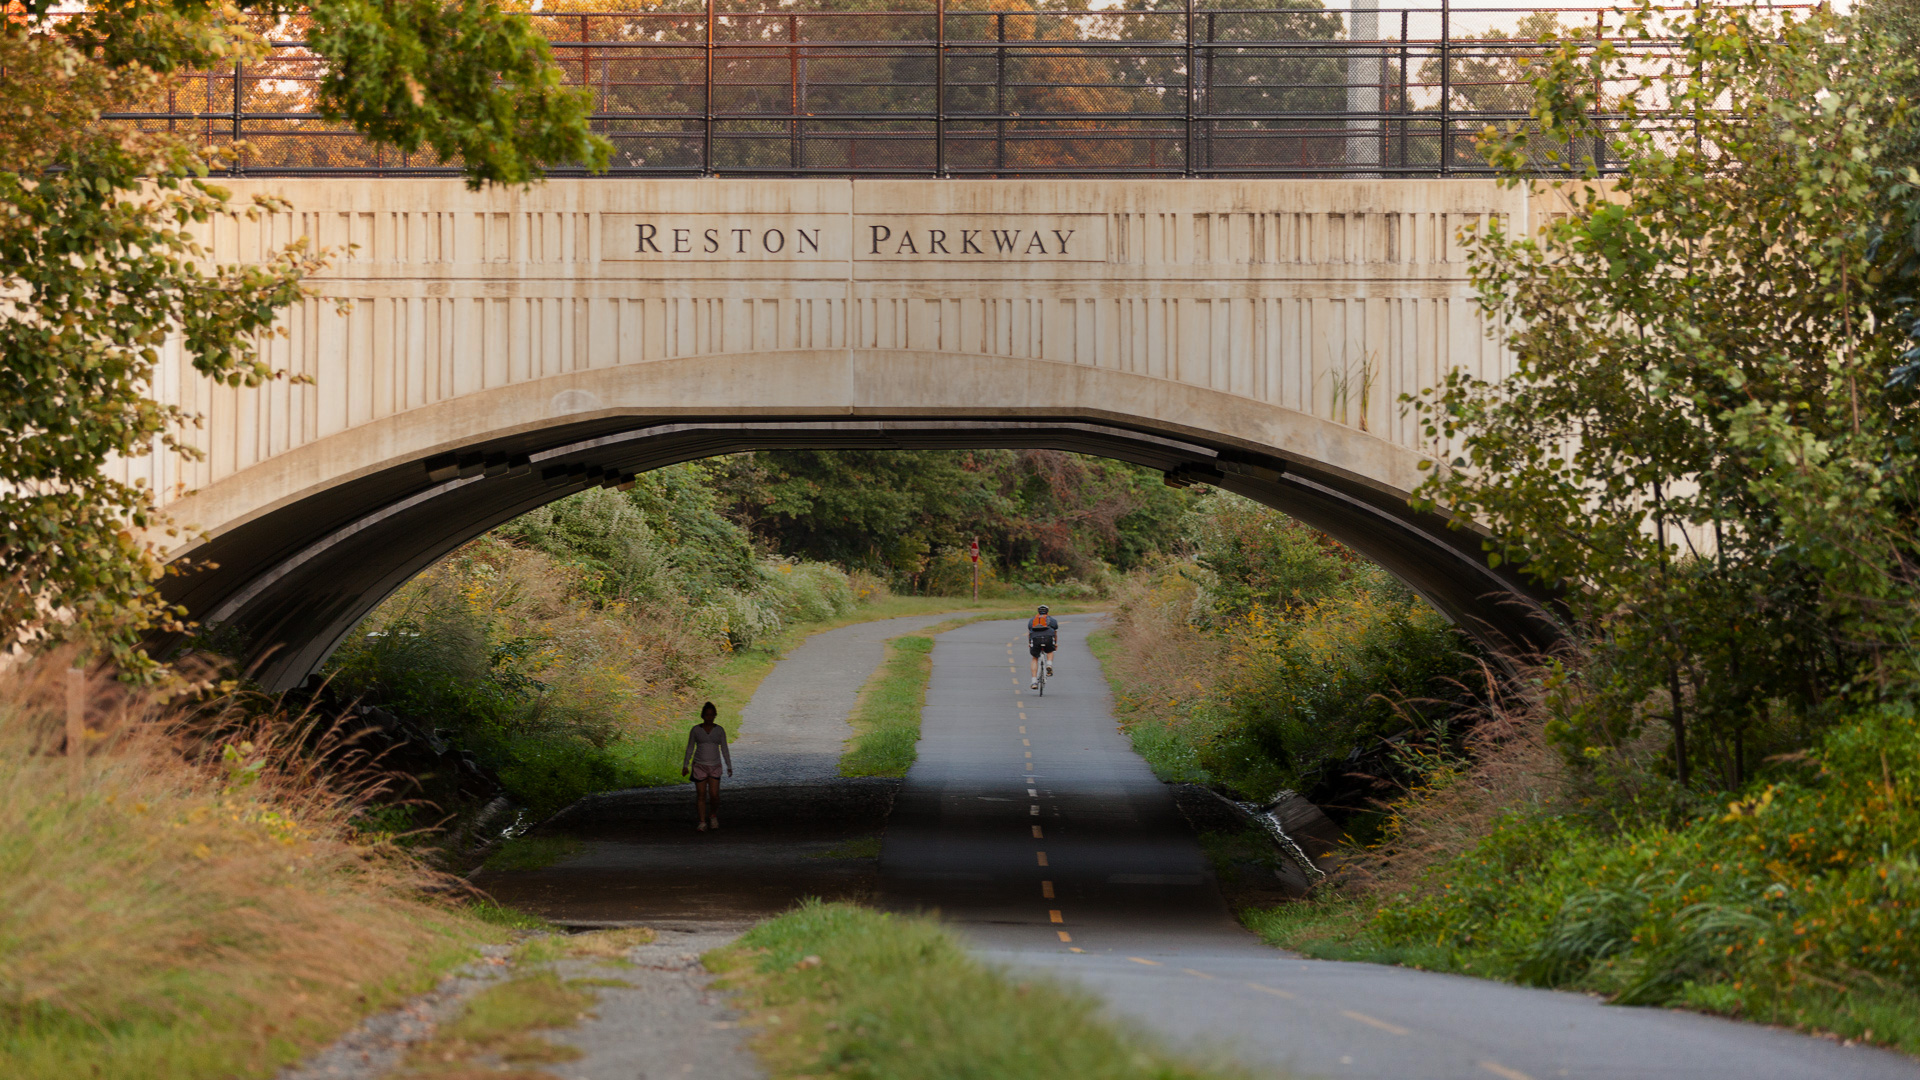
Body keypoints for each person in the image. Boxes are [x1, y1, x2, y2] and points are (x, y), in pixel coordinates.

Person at [681, 701, 732, 831]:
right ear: (702, 716)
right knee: (701, 794)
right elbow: (690, 747)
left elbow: (725, 748)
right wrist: (685, 764)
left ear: (715, 715)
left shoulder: (719, 730)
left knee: (714, 795)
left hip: (715, 765)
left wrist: (729, 765)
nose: (709, 717)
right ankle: (702, 821)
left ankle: (713, 814)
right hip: (699, 765)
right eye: (707, 715)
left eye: (711, 715)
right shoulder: (696, 730)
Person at [1027, 604, 1059, 689]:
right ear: (1047, 612)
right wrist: (1055, 643)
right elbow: (1055, 633)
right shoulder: (1052, 620)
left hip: (1035, 639)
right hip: (1048, 638)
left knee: (1035, 657)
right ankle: (1049, 664)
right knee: (1050, 651)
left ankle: (1034, 682)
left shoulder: (1032, 620)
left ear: (1038, 612)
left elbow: (1029, 633)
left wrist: (1030, 642)